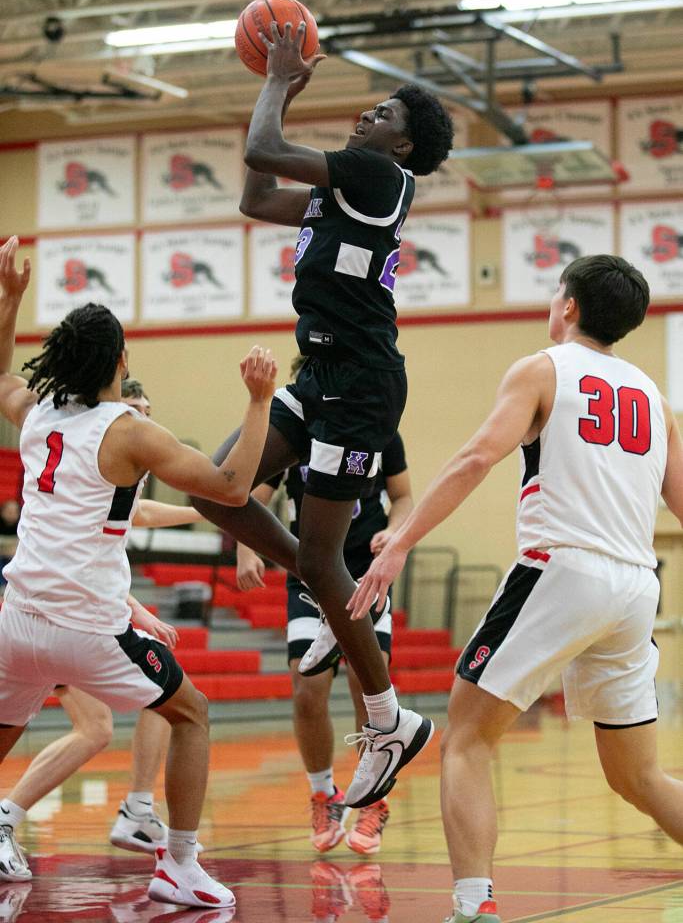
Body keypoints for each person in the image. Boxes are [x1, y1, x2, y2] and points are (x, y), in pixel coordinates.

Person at [351, 254, 683, 923]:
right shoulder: (654, 397)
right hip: (633, 586)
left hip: (561, 570)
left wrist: (405, 538)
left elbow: (476, 456)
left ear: (567, 307)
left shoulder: (542, 368)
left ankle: (474, 907)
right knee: (636, 776)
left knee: (467, 738)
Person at [192, 21, 453, 808]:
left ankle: (387, 720)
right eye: (370, 108)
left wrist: (276, 79)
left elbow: (265, 148)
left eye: (383, 115)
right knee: (214, 487)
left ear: (400, 147)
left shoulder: (376, 179)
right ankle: (321, 580)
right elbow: (254, 193)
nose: (365, 118)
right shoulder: (342, 190)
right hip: (321, 373)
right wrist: (281, 89)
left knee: (317, 560)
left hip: (363, 386)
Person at [0, 236, 276, 909]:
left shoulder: (35, 414)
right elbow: (233, 486)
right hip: (86, 626)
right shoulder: (126, 429)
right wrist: (259, 400)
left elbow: (1, 375)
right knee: (191, 714)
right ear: (120, 360)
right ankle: (177, 861)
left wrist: (9, 299)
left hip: (15, 616)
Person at [0, 374, 207, 860]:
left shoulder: (118, 463)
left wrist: (205, 512)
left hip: (57, 613)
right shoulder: (97, 449)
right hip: (50, 614)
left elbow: (138, 521)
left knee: (131, 712)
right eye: (136, 409)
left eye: (148, 412)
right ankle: (15, 818)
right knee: (109, 723)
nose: (143, 420)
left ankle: (136, 808)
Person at [236, 398, 412, 853]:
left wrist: (395, 530)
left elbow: (404, 495)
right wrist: (245, 547)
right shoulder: (295, 428)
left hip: (363, 570)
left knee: (365, 682)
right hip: (310, 571)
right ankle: (323, 792)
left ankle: (375, 800)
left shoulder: (378, 424)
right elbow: (255, 495)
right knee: (305, 685)